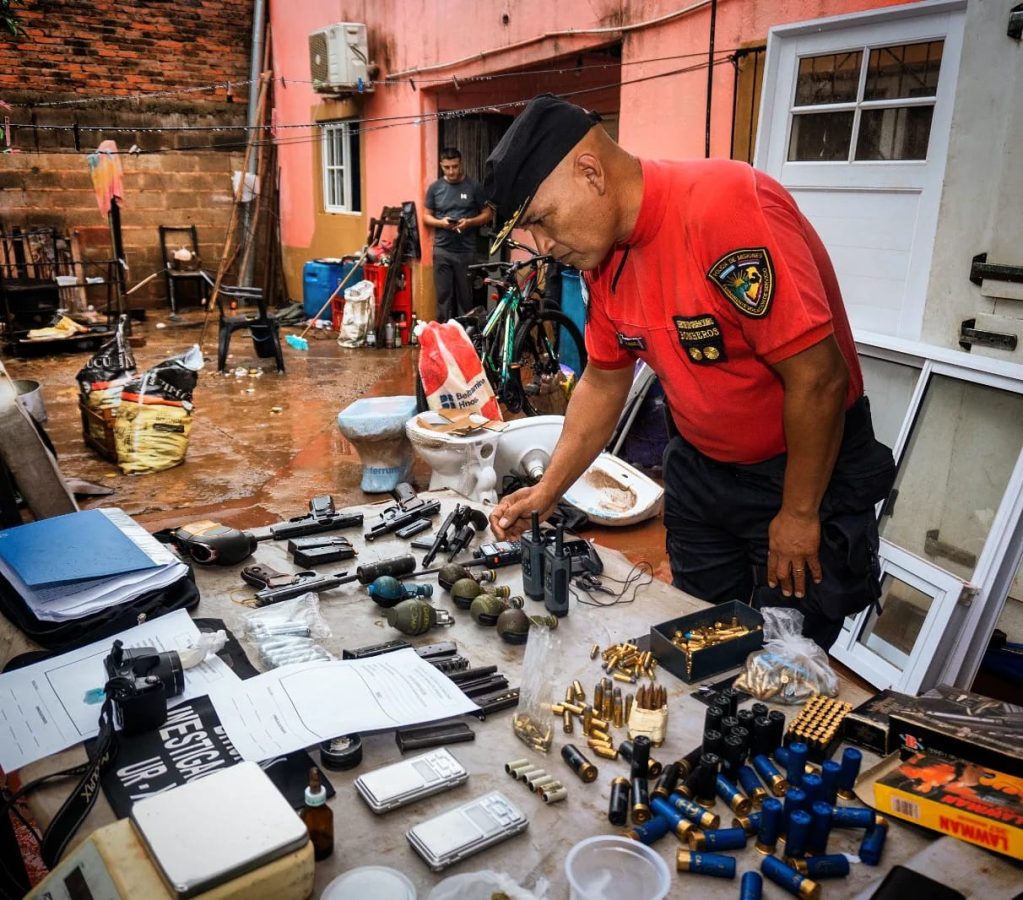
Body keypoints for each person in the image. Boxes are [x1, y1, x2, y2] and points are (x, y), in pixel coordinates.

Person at [484, 94, 896, 651]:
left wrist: (799, 513)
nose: (542, 246)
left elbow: (819, 377)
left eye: (539, 220)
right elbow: (605, 380)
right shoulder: (601, 262)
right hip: (702, 473)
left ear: (590, 172)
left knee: (784, 663)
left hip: (800, 473)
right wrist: (548, 489)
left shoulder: (724, 208)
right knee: (698, 642)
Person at [423, 148, 492, 322]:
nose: (451, 171)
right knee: (443, 298)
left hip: (466, 251)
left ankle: (465, 336)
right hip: (442, 250)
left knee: (465, 298)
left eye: (455, 166)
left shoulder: (473, 186)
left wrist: (469, 222)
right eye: (447, 167)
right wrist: (441, 223)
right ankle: (443, 337)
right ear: (441, 166)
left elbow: (488, 214)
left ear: (461, 164)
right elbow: (425, 216)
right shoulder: (435, 188)